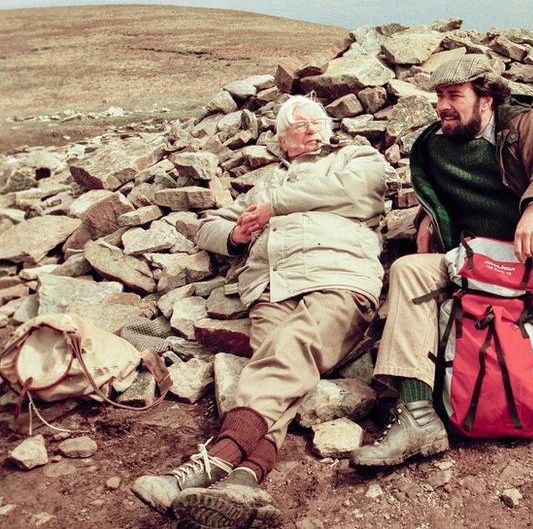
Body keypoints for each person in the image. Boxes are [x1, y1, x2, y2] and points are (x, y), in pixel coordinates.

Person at [351, 54, 533, 468]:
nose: (443, 105)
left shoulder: (523, 126)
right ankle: (417, 415)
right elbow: (431, 193)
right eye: (439, 96)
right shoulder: (432, 145)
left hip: (529, 254)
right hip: (472, 260)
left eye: (454, 95)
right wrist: (427, 215)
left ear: (486, 100)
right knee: (408, 269)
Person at [131, 95, 391, 527]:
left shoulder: (354, 157)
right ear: (283, 141)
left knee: (289, 347)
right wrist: (235, 233)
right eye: (301, 125)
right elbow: (207, 227)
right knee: (278, 367)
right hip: (272, 287)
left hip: (338, 278)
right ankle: (247, 480)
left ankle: (213, 461)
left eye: (317, 122)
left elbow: (356, 190)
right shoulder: (267, 182)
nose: (312, 130)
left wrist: (275, 208)